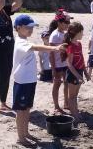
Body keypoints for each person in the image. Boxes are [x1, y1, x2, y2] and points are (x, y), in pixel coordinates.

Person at [13, 14, 66, 147]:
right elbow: (36, 47)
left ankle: (25, 133)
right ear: (18, 28)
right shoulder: (20, 42)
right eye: (28, 27)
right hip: (22, 82)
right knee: (21, 111)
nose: (31, 30)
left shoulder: (25, 40)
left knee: (27, 109)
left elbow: (34, 47)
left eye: (32, 27)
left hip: (30, 81)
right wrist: (55, 48)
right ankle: (21, 137)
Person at [62, 22, 90, 123]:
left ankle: (75, 111)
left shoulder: (79, 44)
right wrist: (77, 75)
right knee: (72, 96)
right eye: (82, 32)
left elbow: (81, 59)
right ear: (77, 33)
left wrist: (85, 72)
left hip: (79, 71)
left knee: (75, 95)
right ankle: (75, 115)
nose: (83, 34)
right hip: (73, 73)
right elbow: (69, 64)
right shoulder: (71, 46)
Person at [49, 9, 73, 115]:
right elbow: (51, 53)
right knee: (57, 84)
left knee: (66, 83)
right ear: (59, 23)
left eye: (69, 22)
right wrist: (53, 69)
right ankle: (56, 105)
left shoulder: (65, 34)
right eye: (66, 22)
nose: (68, 24)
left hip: (65, 64)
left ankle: (66, 103)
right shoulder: (54, 35)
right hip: (58, 65)